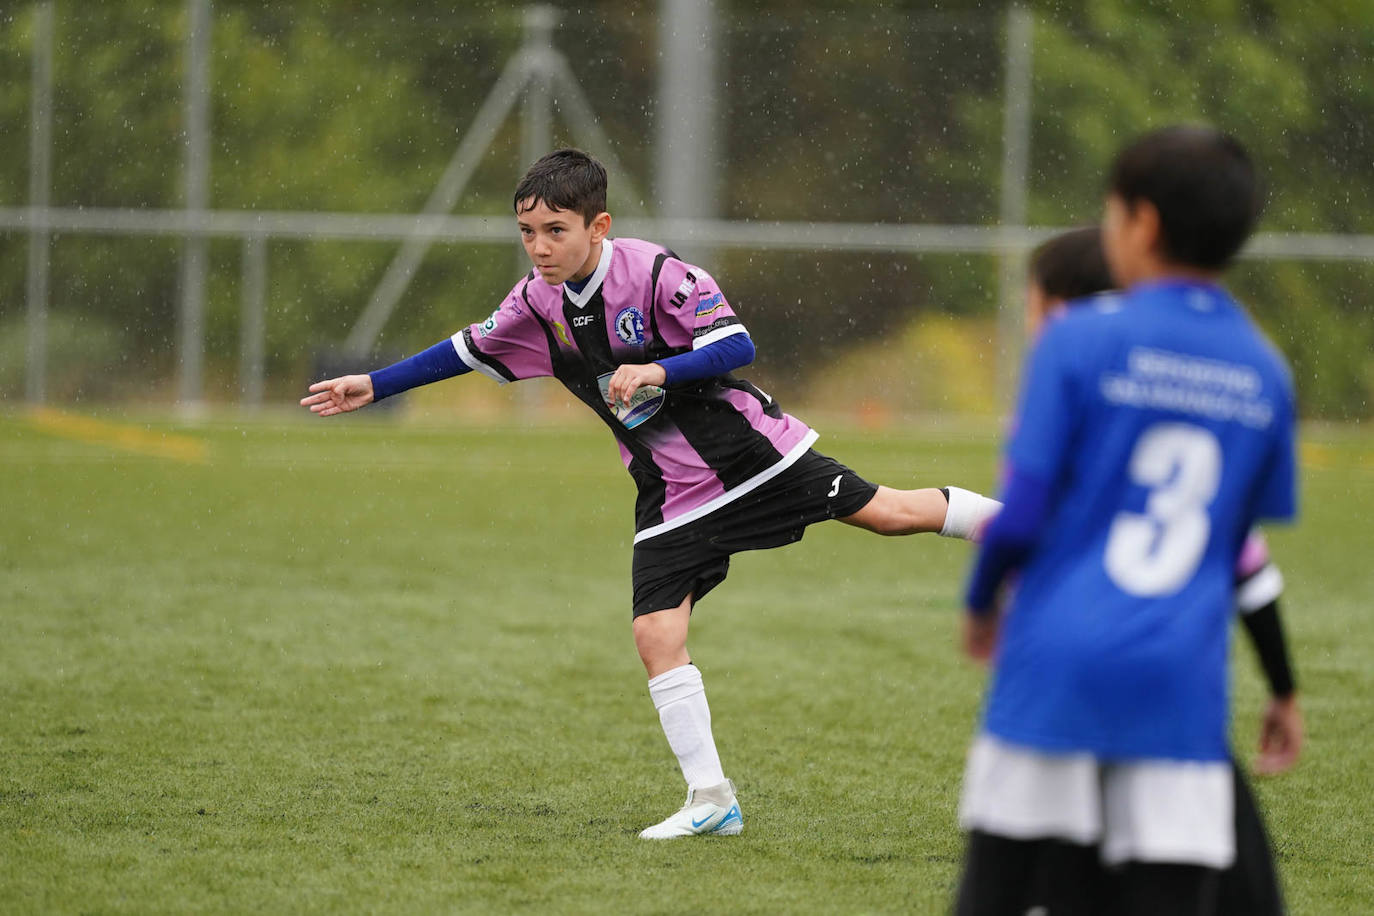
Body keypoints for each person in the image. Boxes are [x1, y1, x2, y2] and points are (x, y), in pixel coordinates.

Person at [301, 148, 1002, 839]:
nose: (539, 249)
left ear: (597, 226)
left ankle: (1036, 528)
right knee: (655, 632)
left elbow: (735, 345)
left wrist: (658, 371)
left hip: (751, 454)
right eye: (526, 233)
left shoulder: (657, 273)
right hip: (671, 489)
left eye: (555, 231)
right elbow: (468, 347)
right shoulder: (536, 303)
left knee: (890, 513)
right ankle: (711, 799)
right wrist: (375, 383)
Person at [953, 127, 1299, 915]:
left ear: (1140, 224)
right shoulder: (1262, 370)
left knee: (1001, 889)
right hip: (1178, 686)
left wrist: (980, 605)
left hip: (1057, 668)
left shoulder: (1078, 341)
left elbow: (1024, 513)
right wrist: (1283, 690)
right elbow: (1237, 551)